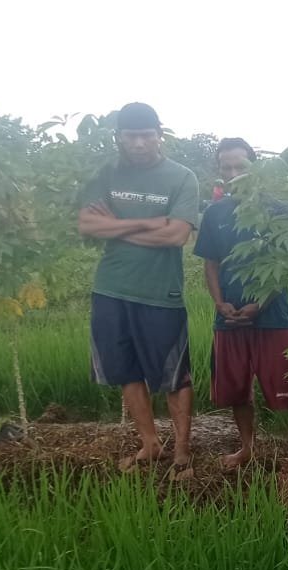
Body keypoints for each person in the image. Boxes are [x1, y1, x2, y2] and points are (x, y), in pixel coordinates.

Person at [75, 102, 201, 480]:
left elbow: (177, 234)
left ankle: (181, 449)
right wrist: (149, 222)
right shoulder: (106, 174)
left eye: (147, 135)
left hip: (160, 294)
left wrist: (118, 224)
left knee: (173, 375)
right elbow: (87, 224)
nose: (140, 143)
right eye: (131, 136)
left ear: (160, 135)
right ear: (119, 138)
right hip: (111, 289)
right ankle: (150, 443)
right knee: (125, 370)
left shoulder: (182, 177)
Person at [194, 137, 288, 472]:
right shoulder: (215, 213)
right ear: (219, 170)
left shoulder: (278, 210)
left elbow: (285, 265)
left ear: (253, 166)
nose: (233, 173)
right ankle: (247, 448)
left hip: (272, 317)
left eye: (240, 166)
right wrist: (219, 303)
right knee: (235, 390)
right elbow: (211, 263)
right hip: (229, 319)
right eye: (226, 167)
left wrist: (259, 304)